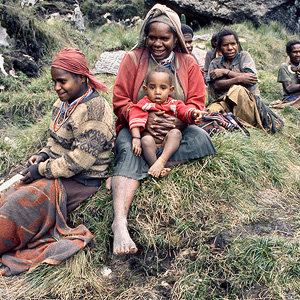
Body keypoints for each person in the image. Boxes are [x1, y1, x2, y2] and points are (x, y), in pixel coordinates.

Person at [111, 3, 216, 256]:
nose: (158, 43)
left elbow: (195, 103)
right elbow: (120, 101)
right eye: (152, 37)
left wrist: (178, 121)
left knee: (201, 138)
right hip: (139, 129)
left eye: (165, 38)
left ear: (175, 38)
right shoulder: (133, 59)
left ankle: (151, 165)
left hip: (174, 130)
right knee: (127, 146)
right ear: (146, 37)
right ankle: (120, 223)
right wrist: (144, 121)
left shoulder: (188, 62)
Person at [0, 48, 115, 276]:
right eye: (54, 81)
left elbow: (79, 161)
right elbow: (55, 142)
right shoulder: (62, 103)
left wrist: (41, 169)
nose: (56, 87)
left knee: (20, 204)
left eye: (62, 81)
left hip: (80, 181)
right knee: (8, 194)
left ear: (81, 78)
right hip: (57, 170)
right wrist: (42, 155)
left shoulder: (96, 111)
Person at [129, 66, 204, 178]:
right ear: (145, 89)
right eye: (152, 88)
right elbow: (135, 119)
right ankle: (155, 166)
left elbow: (184, 111)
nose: (157, 92)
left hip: (167, 143)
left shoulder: (174, 104)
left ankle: (162, 161)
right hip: (152, 144)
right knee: (146, 140)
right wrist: (136, 138)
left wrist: (193, 113)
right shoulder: (144, 104)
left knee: (176, 133)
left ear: (171, 90)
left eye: (163, 88)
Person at [206, 27, 283, 133]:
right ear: (219, 47)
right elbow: (217, 85)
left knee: (237, 90)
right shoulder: (215, 63)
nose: (230, 48)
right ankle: (230, 124)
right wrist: (241, 78)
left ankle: (241, 124)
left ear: (237, 44)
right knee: (211, 110)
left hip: (249, 105)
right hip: (225, 103)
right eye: (225, 45)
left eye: (233, 44)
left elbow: (250, 79)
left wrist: (225, 72)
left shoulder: (244, 56)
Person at [271, 39, 300, 108]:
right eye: (295, 52)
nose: (298, 54)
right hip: (292, 97)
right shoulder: (284, 67)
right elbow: (288, 89)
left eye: (299, 52)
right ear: (288, 53)